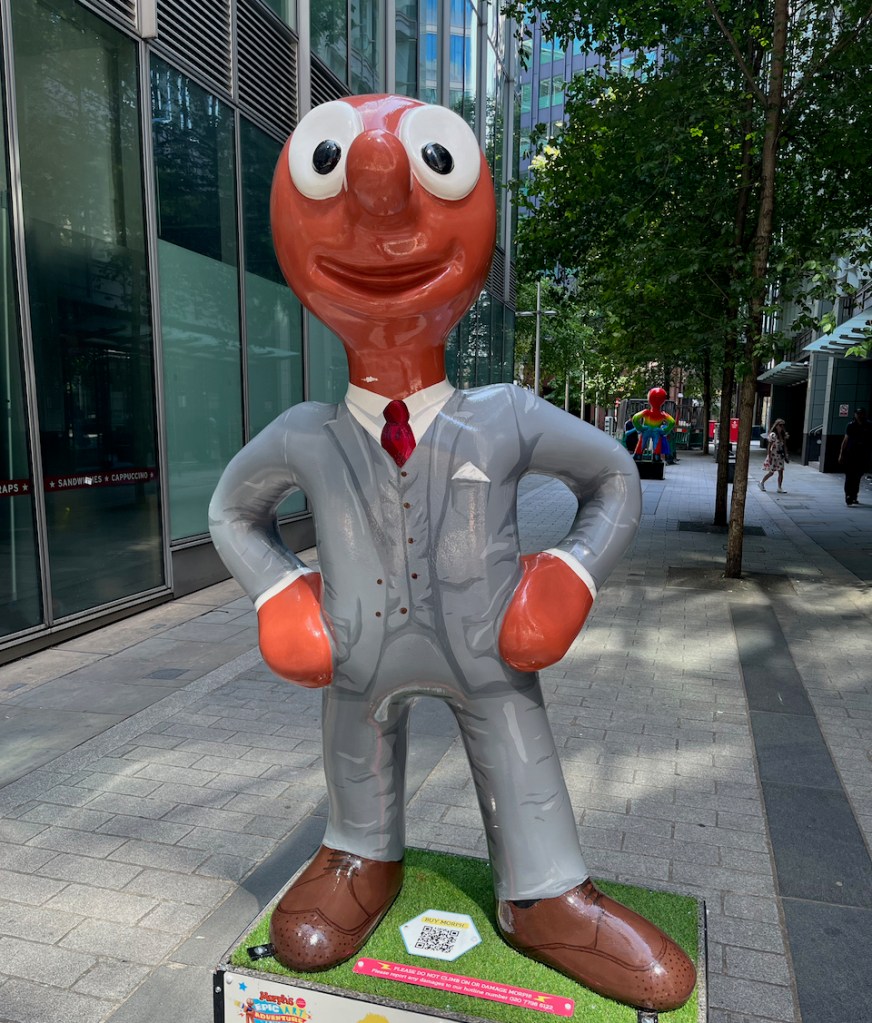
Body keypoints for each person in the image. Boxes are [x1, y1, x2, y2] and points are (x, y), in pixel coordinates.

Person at [209, 95, 694, 1013]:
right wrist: (280, 592)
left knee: (513, 733)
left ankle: (542, 887)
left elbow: (614, 478)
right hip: (360, 655)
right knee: (357, 736)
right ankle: (360, 847)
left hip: (490, 652)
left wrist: (571, 571)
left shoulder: (503, 417)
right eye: (336, 176)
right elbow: (233, 512)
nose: (379, 200)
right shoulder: (307, 435)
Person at [839, 407, 872, 506]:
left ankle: (854, 495)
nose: (859, 416)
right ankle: (848, 495)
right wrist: (841, 454)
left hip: (863, 454)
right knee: (849, 476)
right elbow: (846, 440)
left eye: (861, 414)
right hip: (851, 454)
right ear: (855, 415)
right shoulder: (851, 425)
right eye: (858, 414)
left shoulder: (869, 425)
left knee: (857, 477)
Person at [758, 419, 789, 493]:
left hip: (780, 456)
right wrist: (769, 456)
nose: (781, 427)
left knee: (781, 471)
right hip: (773, 455)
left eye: (783, 425)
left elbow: (784, 446)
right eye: (780, 425)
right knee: (771, 472)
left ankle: (779, 487)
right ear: (776, 425)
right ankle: (761, 482)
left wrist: (786, 455)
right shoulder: (773, 435)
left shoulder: (783, 435)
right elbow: (769, 446)